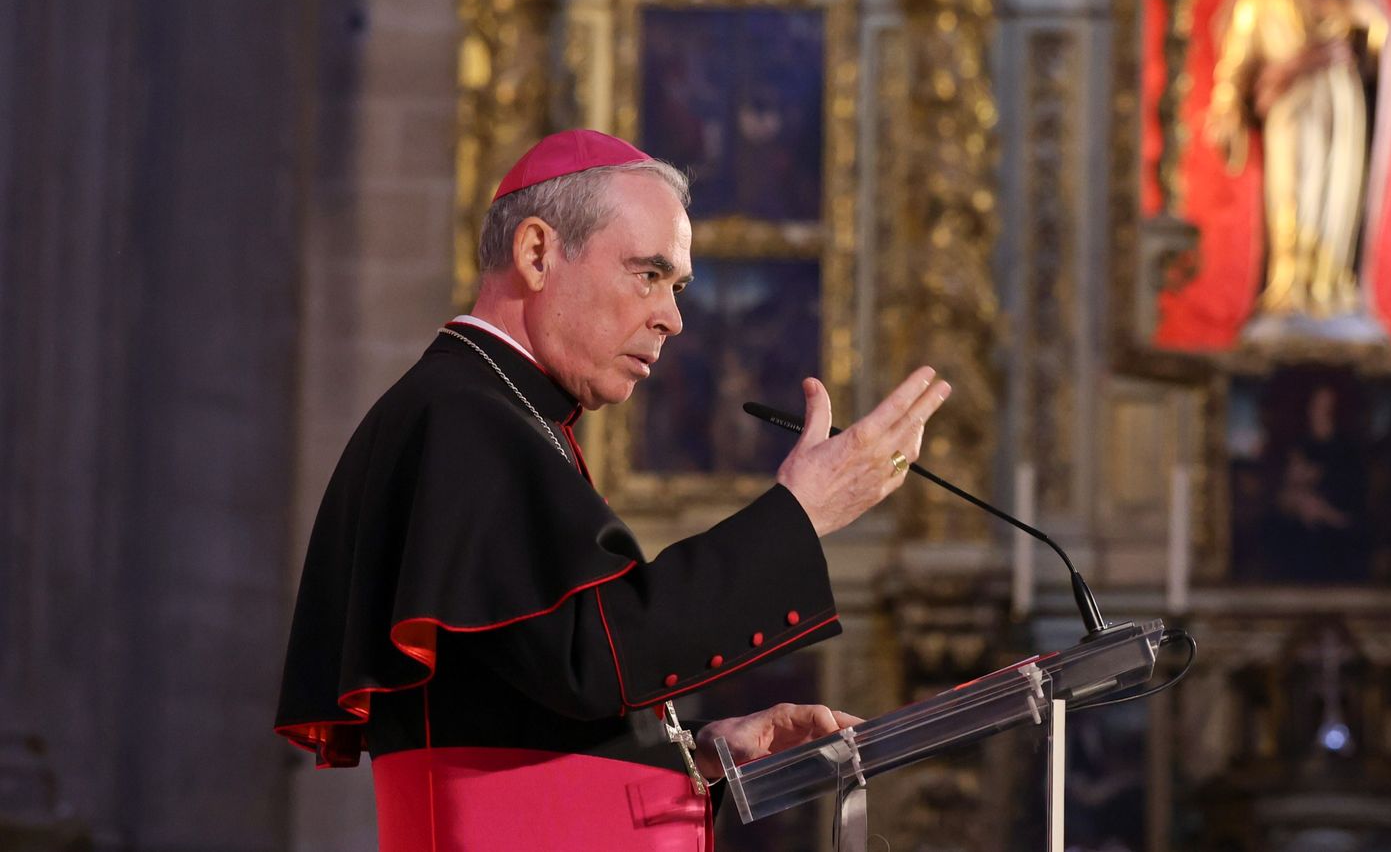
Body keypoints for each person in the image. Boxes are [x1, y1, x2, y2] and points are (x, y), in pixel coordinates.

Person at [275, 129, 951, 851]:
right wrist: (800, 514)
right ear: (538, 254)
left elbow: (540, 690)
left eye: (678, 285)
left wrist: (695, 750)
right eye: (648, 274)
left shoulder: (499, 414)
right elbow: (594, 659)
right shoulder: (465, 417)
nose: (674, 316)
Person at [1205, 0, 1391, 327]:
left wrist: (1370, 25)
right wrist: (1227, 106)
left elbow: (1386, 47)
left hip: (1345, 102)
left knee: (1339, 196)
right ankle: (1290, 287)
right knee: (1296, 190)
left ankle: (1333, 286)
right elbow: (1237, 57)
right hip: (1293, 106)